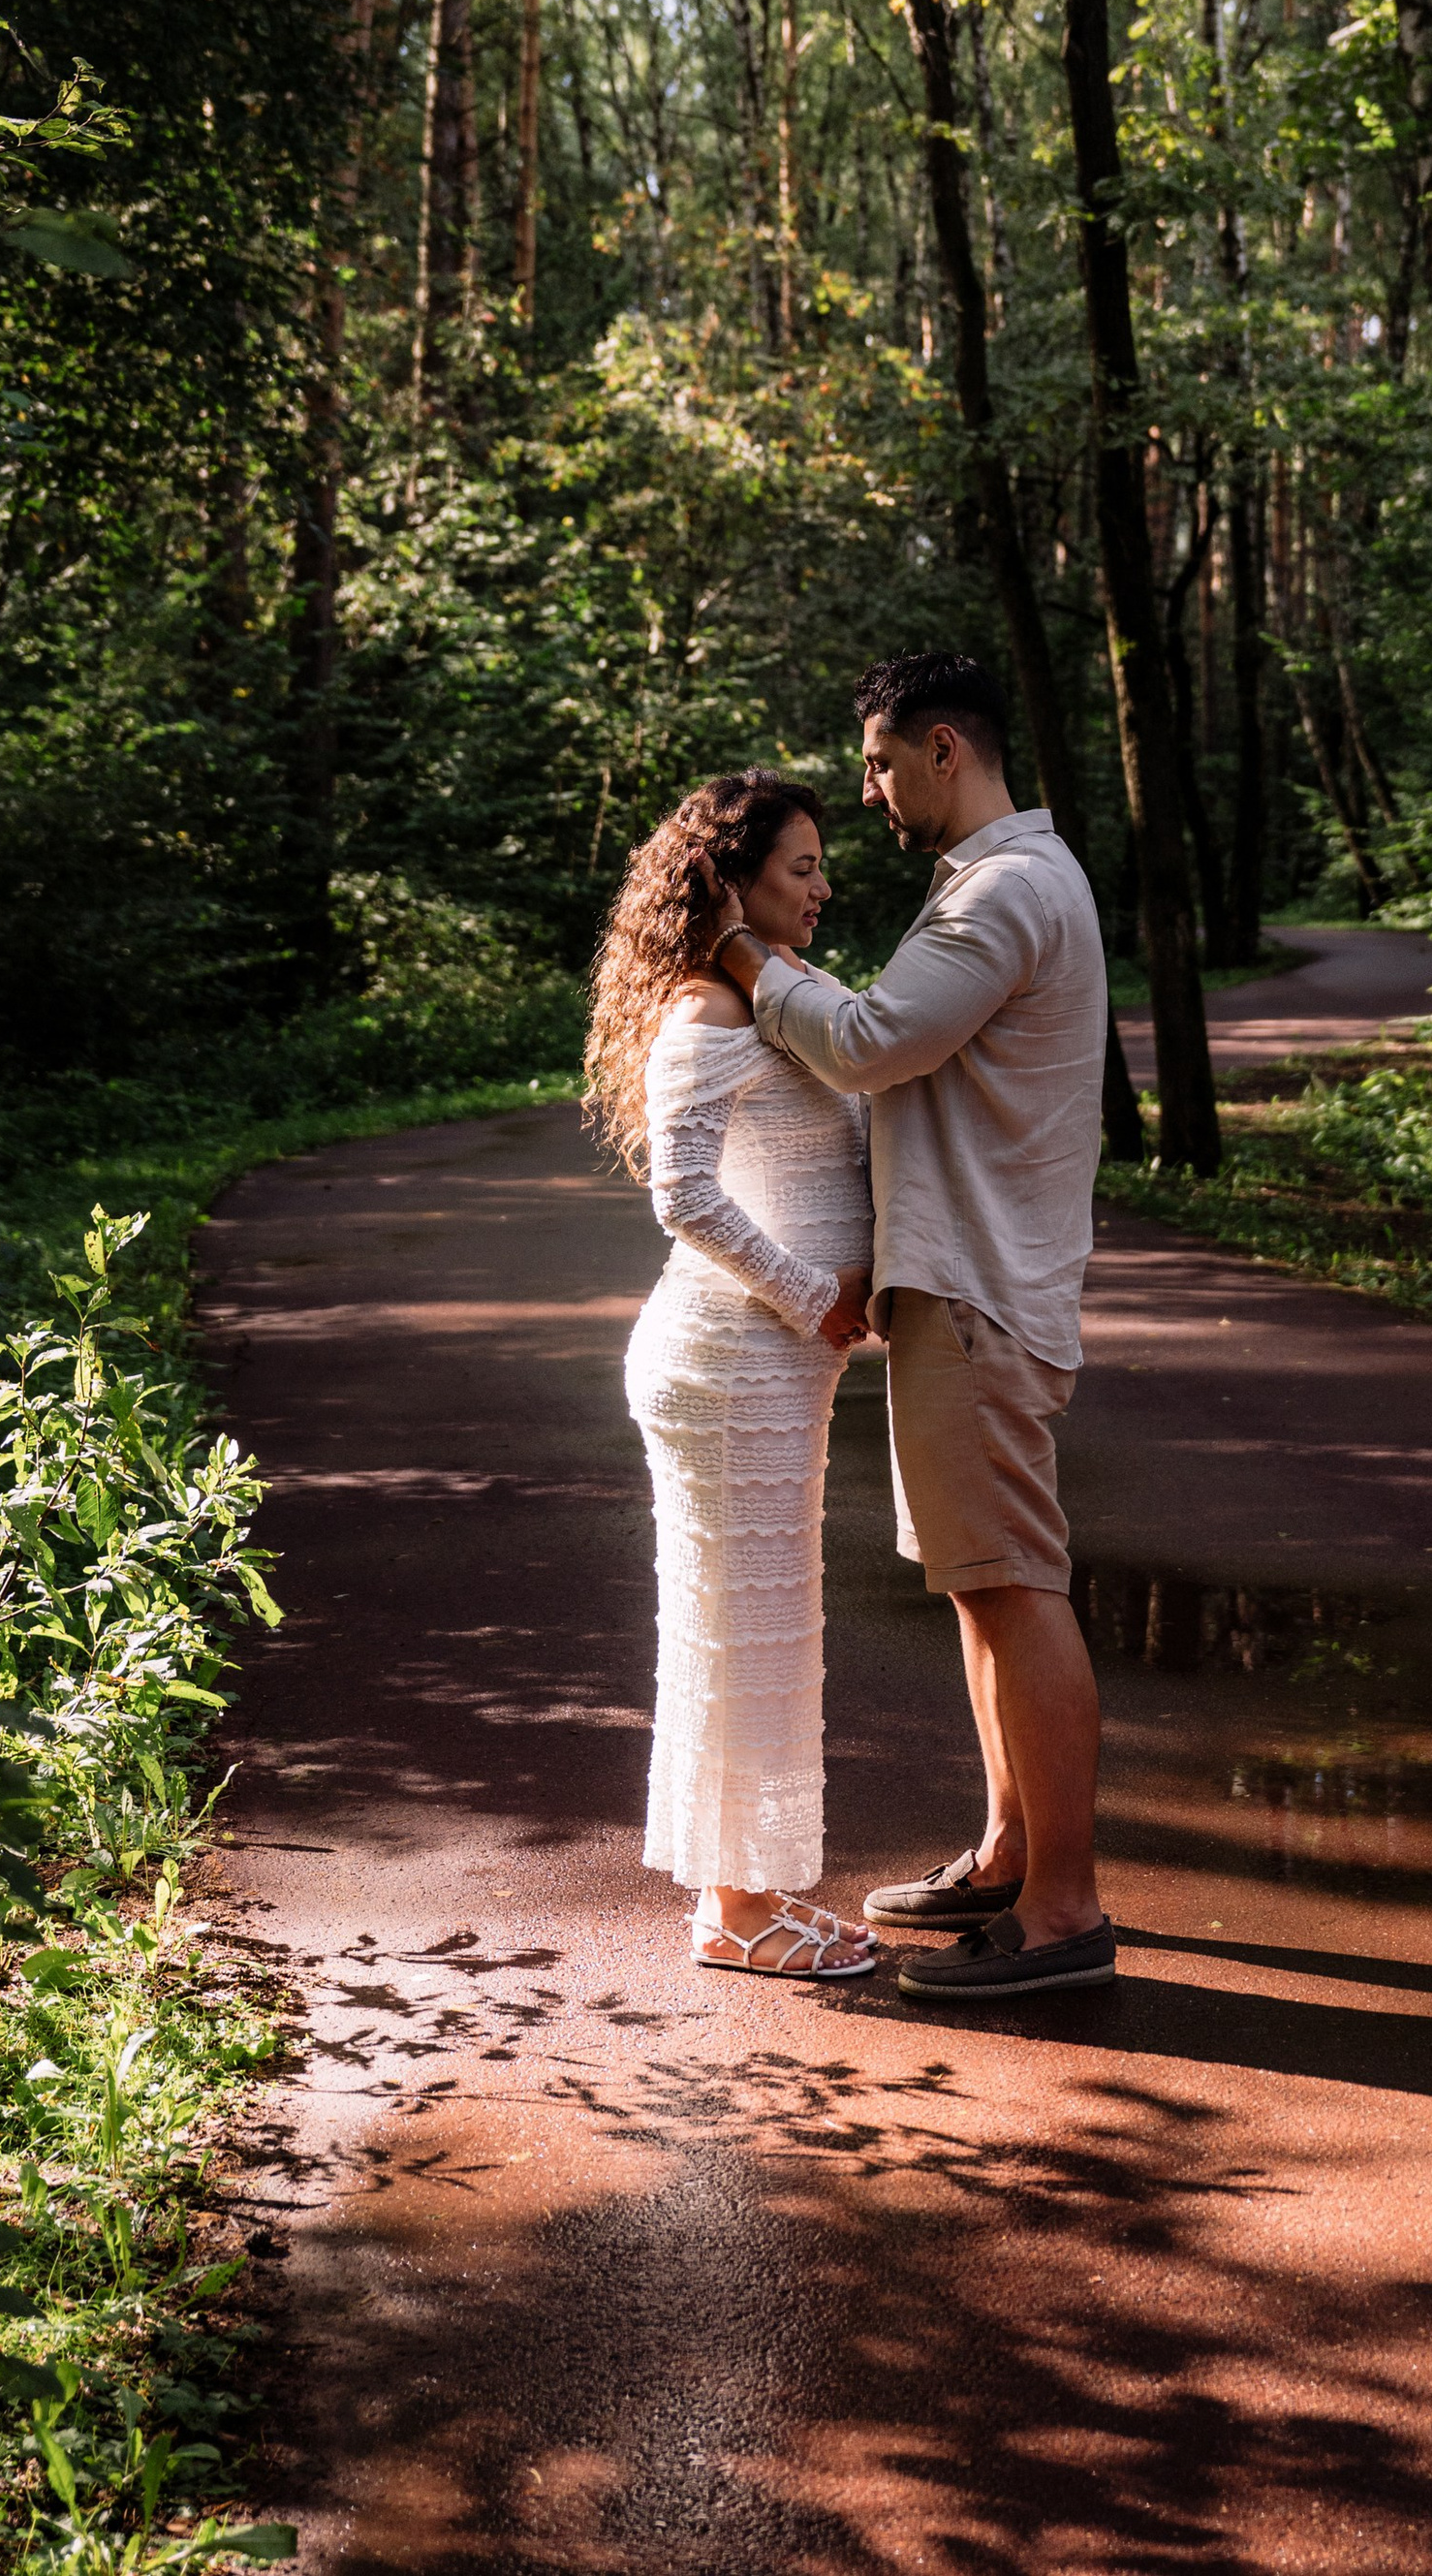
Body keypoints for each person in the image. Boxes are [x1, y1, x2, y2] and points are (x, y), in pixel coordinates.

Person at [706, 650, 1117, 2000]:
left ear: (946, 748)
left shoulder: (1003, 894)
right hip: (968, 1289)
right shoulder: (991, 888)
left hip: (983, 1294)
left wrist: (746, 958)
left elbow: (876, 1039)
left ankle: (1064, 1916)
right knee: (976, 1584)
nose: (873, 790)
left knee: (1013, 1580)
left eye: (881, 762)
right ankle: (1007, 1850)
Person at [585, 770, 879, 1982]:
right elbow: (683, 1195)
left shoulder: (774, 989)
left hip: (770, 1363)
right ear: (732, 879)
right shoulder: (706, 1012)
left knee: (754, 1627)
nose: (824, 884)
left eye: (820, 864)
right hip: (726, 1358)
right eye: (800, 866)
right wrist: (815, 1296)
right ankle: (738, 1908)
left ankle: (739, 1895)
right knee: (740, 1629)